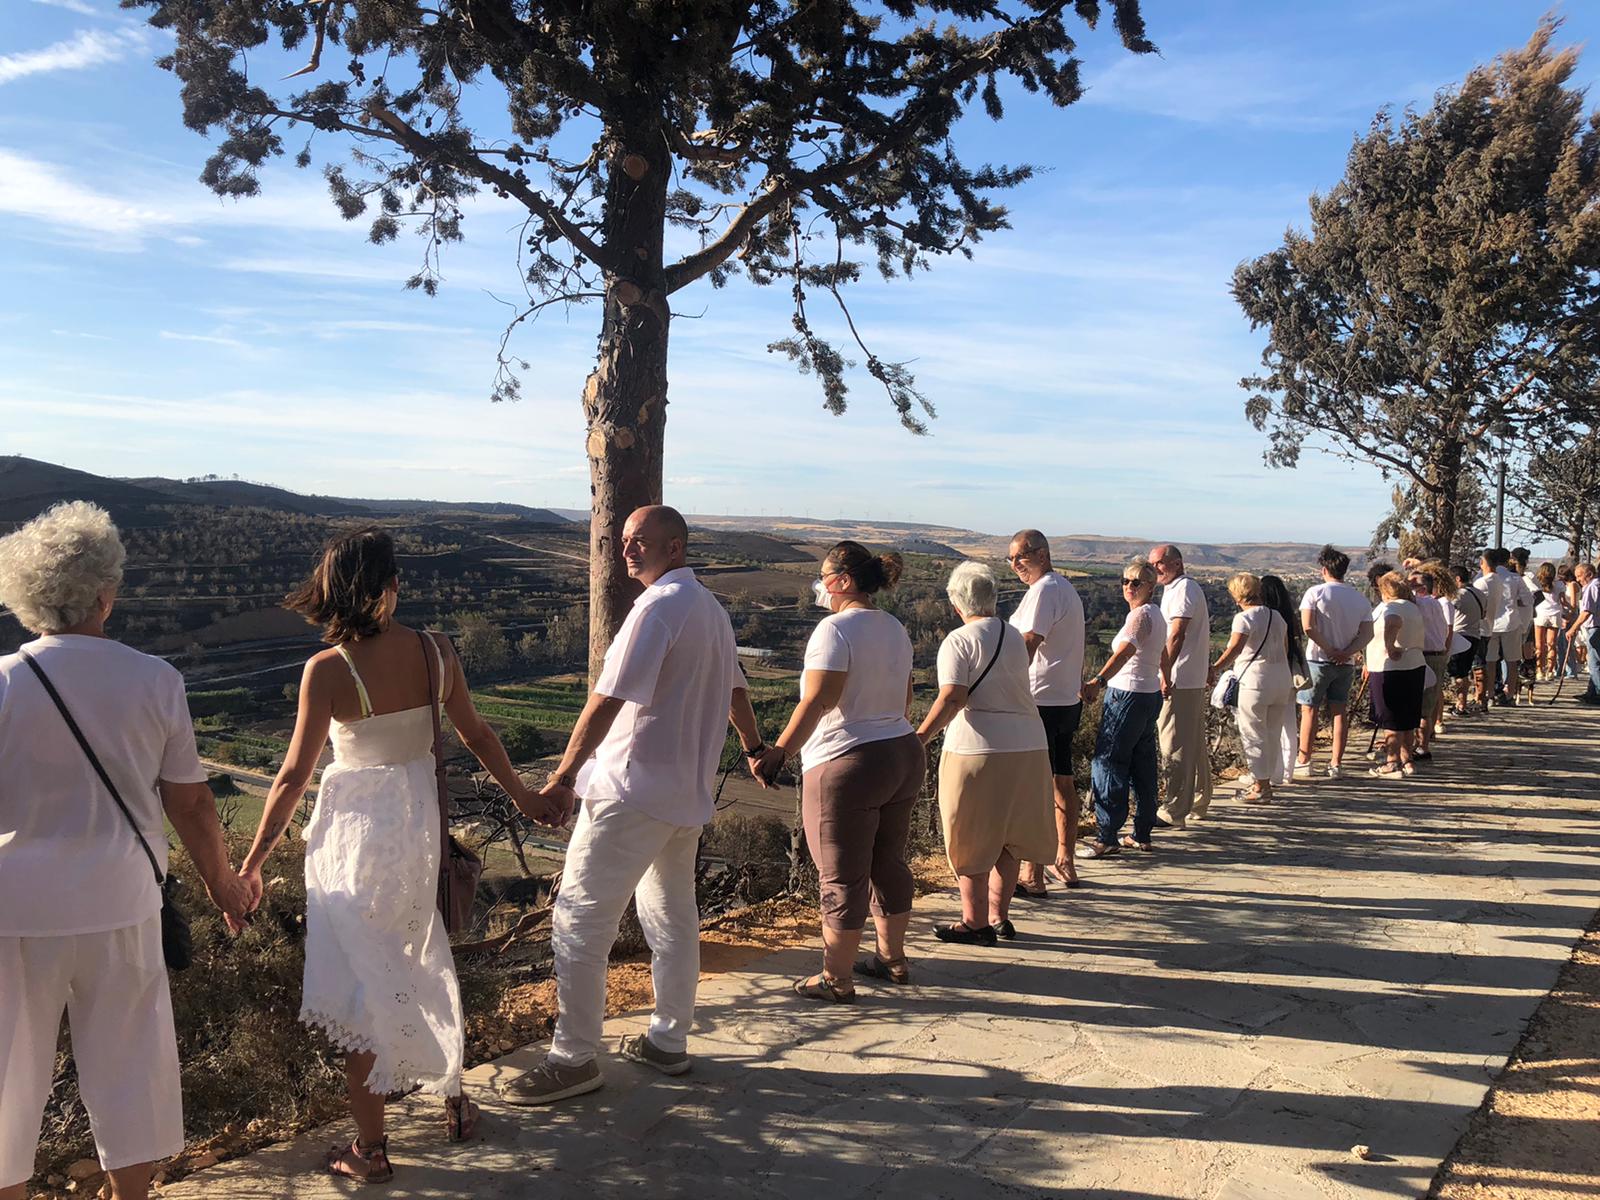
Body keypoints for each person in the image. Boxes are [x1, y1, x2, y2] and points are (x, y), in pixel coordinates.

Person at [238, 528, 544, 1177]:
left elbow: (294, 776)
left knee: (363, 983)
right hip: (418, 829)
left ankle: (372, 1148)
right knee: (422, 956)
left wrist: (253, 861)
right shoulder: (437, 652)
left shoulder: (328, 670)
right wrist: (525, 798)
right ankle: (455, 1104)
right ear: (392, 585)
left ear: (330, 591)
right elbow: (479, 734)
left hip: (355, 837)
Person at [1, 502, 254, 1200]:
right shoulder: (155, 680)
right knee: (128, 1063)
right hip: (122, 902)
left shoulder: (1, 681)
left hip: (13, 912)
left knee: (6, 1077)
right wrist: (223, 884)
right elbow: (192, 803)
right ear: (107, 593)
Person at [504, 506, 765, 1093]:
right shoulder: (710, 609)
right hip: (684, 796)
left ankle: (572, 1059)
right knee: (672, 920)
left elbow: (607, 699)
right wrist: (753, 745)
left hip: (629, 790)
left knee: (580, 921)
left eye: (639, 541)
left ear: (674, 548)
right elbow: (734, 689)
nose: (626, 550)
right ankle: (667, 1041)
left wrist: (564, 775)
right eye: (622, 540)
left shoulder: (656, 608)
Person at [755, 540, 923, 1001]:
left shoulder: (834, 631)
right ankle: (892, 959)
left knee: (842, 876)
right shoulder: (895, 628)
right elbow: (906, 701)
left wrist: (779, 751)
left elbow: (819, 700)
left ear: (843, 581)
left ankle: (837, 977)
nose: (819, 586)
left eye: (824, 577)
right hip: (902, 752)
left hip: (848, 761)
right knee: (888, 863)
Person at [916, 563, 1054, 944]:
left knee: (971, 838)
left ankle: (973, 922)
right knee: (1007, 838)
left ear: (955, 602)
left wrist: (920, 737)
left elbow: (953, 697)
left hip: (977, 748)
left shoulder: (958, 641)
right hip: (1028, 744)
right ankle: (999, 917)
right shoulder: (1012, 635)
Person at [1005, 530, 1085, 894]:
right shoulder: (1062, 587)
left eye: (1021, 556)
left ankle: (1033, 874)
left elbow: (1027, 644)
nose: (1015, 564)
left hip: (1039, 700)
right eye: (1011, 559)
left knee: (1036, 787)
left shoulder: (1044, 591)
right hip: (1064, 699)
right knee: (1061, 781)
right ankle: (1063, 859)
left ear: (1042, 553)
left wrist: (1000, 683)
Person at [1081, 558, 1168, 857]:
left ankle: (1107, 836)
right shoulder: (1156, 614)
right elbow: (1162, 651)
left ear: (1151, 586)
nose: (1129, 587)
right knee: (1143, 764)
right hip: (1148, 695)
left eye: (1136, 582)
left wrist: (1098, 680)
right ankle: (1142, 833)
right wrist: (1164, 678)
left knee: (1108, 763)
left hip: (1126, 695)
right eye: (1125, 581)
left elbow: (1126, 651)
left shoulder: (1140, 617)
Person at [1209, 574, 1295, 803]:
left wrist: (1214, 668)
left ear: (1237, 594)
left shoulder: (1243, 619)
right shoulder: (1277, 617)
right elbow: (1285, 649)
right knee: (1272, 733)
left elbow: (1235, 649)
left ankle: (1260, 786)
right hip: (1281, 679)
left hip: (1255, 681)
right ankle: (1267, 781)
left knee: (1253, 734)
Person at [1294, 545, 1373, 780]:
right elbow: (1367, 634)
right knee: (1340, 711)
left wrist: (1329, 650)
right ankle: (1336, 763)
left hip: (1318, 660)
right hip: (1345, 664)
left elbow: (1308, 626)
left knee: (1309, 709)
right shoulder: (1359, 598)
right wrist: (1347, 652)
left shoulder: (1314, 593)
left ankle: (1304, 760)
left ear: (1324, 569)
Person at [1150, 544, 1211, 829]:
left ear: (1177, 563)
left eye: (1160, 563)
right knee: (1193, 744)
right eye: (1152, 564)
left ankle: (1173, 810)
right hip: (1188, 678)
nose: (1155, 569)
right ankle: (1199, 799)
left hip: (1179, 679)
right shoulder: (1177, 589)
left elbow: (1176, 634)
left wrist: (1164, 671)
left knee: (1173, 743)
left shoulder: (1183, 589)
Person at [1365, 572, 1427, 777]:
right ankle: (1406, 759)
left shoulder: (1392, 607)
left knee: (1390, 716)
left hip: (1390, 667)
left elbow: (1392, 622)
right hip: (1415, 665)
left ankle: (1391, 762)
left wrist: (1390, 646)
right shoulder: (1413, 607)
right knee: (1408, 716)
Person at [1408, 566, 1451, 760]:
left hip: (1423, 655)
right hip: (1438, 654)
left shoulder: (1420, 603)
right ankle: (1423, 743)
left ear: (1422, 588)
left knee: (1420, 705)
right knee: (1429, 702)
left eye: (1413, 585)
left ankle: (1420, 745)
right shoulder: (1438, 604)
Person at [1449, 564, 1488, 716]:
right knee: (1465, 671)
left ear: (1457, 579)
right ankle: (1462, 703)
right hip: (1475, 635)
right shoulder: (1480, 594)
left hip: (1459, 635)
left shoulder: (1458, 595)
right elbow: (1483, 614)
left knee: (1458, 673)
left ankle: (1460, 704)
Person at [1471, 551, 1505, 711]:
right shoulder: (1498, 580)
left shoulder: (1482, 583)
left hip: (1478, 626)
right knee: (1482, 662)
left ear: (1483, 562)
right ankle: (1482, 695)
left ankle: (1480, 698)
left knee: (1478, 665)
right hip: (1489, 625)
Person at [1565, 562, 1600, 704]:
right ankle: (1592, 692)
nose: (1578, 580)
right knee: (1594, 660)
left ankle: (1598, 692)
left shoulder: (1592, 587)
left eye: (1580, 576)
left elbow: (1587, 611)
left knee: (1594, 662)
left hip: (1596, 626)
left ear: (1589, 574)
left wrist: (1573, 628)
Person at [1532, 563, 1563, 682]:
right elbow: (1562, 600)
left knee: (1539, 645)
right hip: (1555, 614)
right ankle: (1550, 670)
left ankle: (1539, 670)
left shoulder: (1537, 584)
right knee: (1552, 644)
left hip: (1540, 613)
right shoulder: (1559, 585)